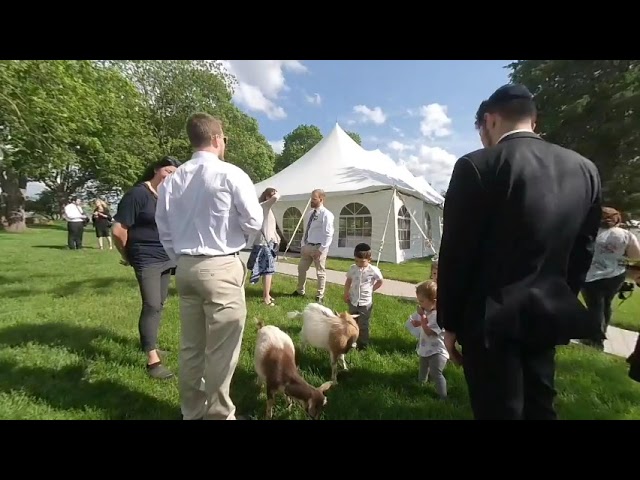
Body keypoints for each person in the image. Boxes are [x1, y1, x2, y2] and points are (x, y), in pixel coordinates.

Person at [437, 84, 603, 420]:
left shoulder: (477, 165)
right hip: (548, 312)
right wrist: (561, 295)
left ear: (490, 120)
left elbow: (457, 252)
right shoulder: (585, 169)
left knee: (499, 410)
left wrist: (449, 322)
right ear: (534, 120)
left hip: (489, 319)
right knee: (540, 406)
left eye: (482, 129)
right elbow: (582, 251)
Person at [155, 112, 263, 421]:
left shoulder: (172, 181)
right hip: (221, 265)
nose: (225, 143)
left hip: (186, 267)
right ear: (216, 138)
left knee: (191, 348)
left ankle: (192, 413)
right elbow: (254, 220)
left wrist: (179, 259)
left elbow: (164, 228)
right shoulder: (231, 174)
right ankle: (219, 416)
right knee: (222, 351)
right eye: (225, 139)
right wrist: (236, 234)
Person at [112, 156, 181, 380]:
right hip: (145, 256)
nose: (170, 176)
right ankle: (152, 362)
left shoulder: (167, 196)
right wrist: (127, 254)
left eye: (174, 173)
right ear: (156, 170)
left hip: (165, 257)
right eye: (167, 171)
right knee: (151, 304)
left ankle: (152, 344)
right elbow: (118, 230)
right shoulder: (138, 194)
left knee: (159, 303)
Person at [581, 207, 640, 349]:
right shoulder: (625, 234)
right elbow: (636, 256)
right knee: (606, 304)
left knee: (595, 306)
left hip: (592, 273)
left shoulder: (590, 232)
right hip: (615, 274)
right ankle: (600, 333)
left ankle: (595, 339)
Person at [404, 280, 451, 398]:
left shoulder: (438, 316)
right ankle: (421, 384)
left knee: (436, 372)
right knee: (423, 368)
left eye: (422, 301)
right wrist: (419, 322)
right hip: (426, 348)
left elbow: (429, 331)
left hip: (438, 351)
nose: (420, 304)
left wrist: (422, 317)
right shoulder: (429, 312)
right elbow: (426, 324)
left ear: (434, 302)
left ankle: (443, 396)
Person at [292, 189, 335, 303]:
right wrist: (303, 245)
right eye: (311, 199)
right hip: (307, 246)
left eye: (314, 199)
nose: (311, 201)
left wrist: (321, 250)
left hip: (318, 247)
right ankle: (300, 291)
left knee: (320, 272)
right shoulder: (310, 214)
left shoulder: (326, 215)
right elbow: (307, 230)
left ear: (321, 199)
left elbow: (328, 234)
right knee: (301, 268)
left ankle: (319, 295)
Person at [343, 243, 384, 349]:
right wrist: (346, 293)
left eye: (362, 261)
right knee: (351, 321)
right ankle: (352, 341)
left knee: (363, 324)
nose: (359, 264)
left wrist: (372, 290)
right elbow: (348, 281)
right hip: (353, 300)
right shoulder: (353, 268)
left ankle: (363, 344)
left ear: (369, 259)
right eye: (356, 261)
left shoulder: (373, 270)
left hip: (365, 303)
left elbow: (380, 281)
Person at [247, 187, 281, 306]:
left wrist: (277, 239)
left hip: (268, 243)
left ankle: (267, 294)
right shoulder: (263, 206)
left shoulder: (268, 209)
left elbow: (271, 227)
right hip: (263, 243)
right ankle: (266, 297)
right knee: (268, 271)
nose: (274, 197)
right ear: (267, 197)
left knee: (268, 270)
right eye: (271, 195)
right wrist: (275, 194)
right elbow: (276, 198)